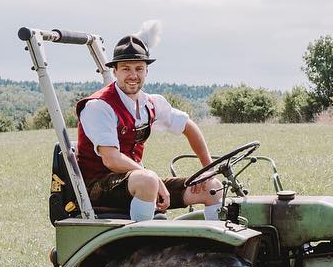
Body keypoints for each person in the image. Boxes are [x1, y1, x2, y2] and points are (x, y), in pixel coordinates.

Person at [75, 22, 223, 222]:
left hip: (136, 181)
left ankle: (215, 241)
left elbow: (188, 126)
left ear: (146, 71)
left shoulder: (150, 103)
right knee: (148, 180)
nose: (133, 75)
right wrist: (150, 176)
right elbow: (111, 159)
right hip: (97, 188)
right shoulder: (99, 106)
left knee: (212, 188)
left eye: (139, 68)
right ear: (115, 71)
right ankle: (144, 239)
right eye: (126, 69)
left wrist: (208, 170)